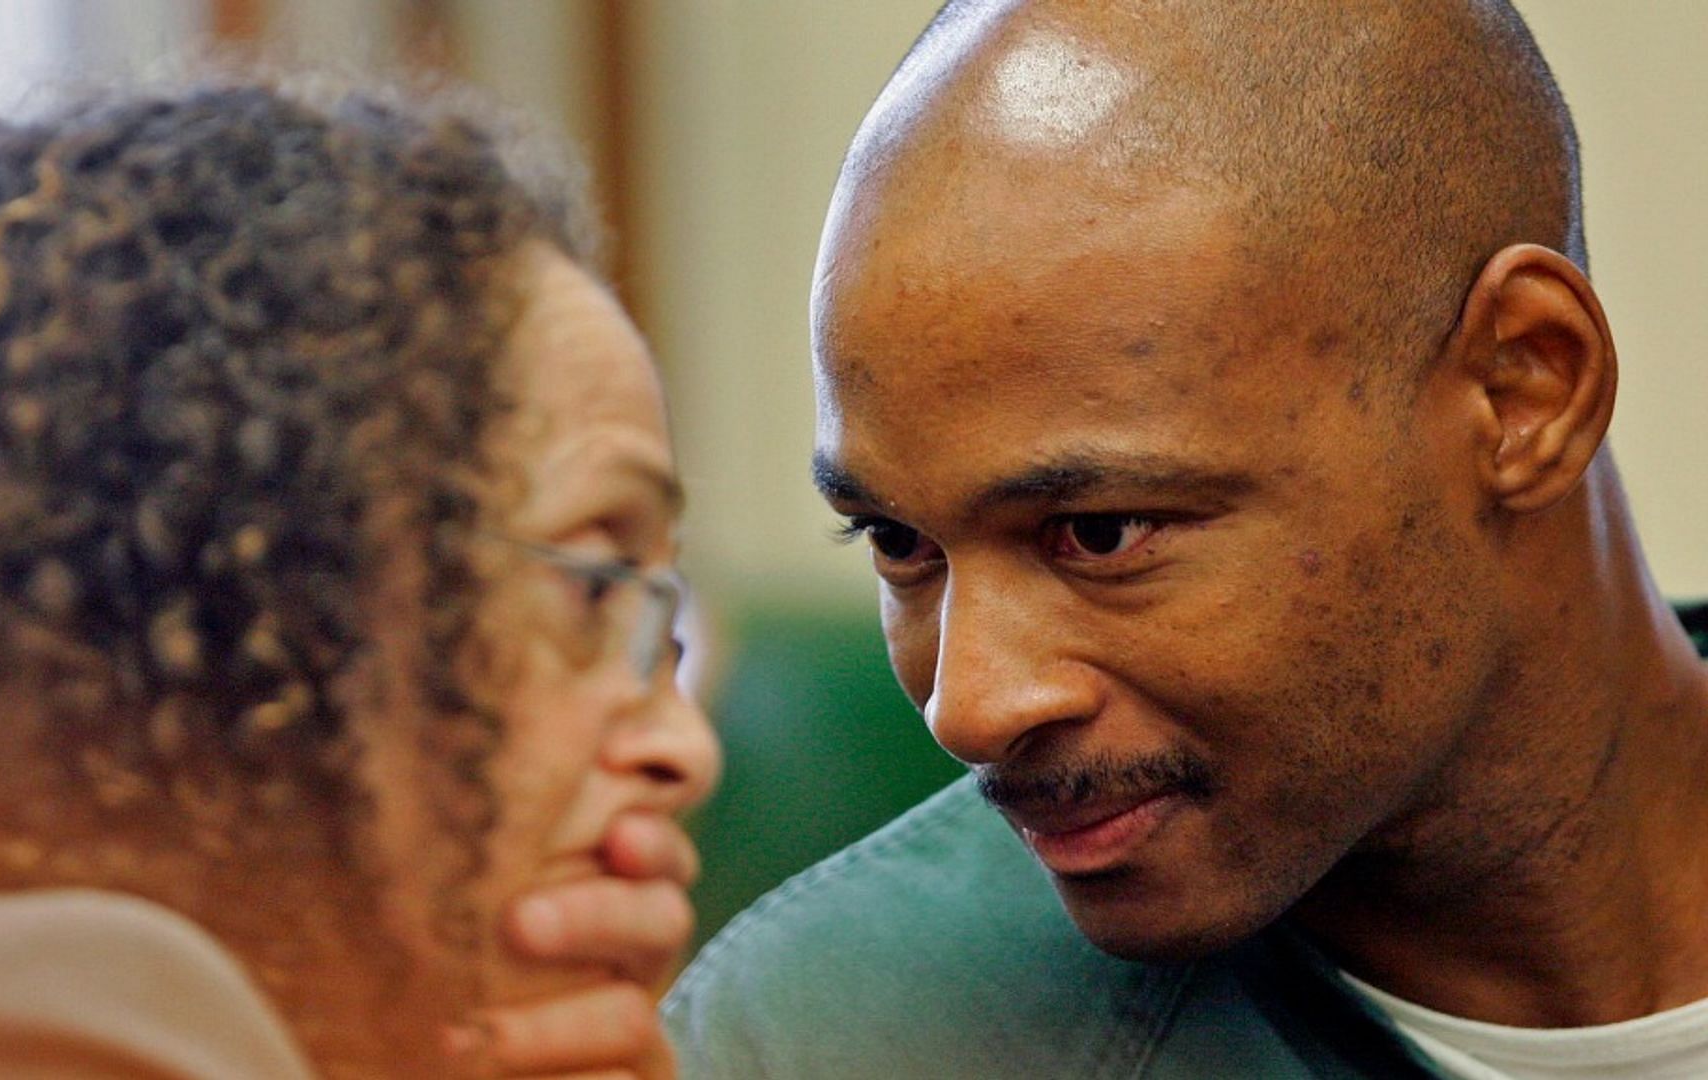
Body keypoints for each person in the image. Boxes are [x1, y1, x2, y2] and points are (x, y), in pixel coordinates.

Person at [665, 1, 1708, 1076]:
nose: (968, 707)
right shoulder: (827, 1047)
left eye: (1101, 534)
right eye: (895, 540)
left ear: (1523, 389)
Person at [0, 76, 717, 1079]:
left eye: (663, 626)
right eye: (592, 586)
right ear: (249, 602)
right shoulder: (31, 1018)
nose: (687, 750)